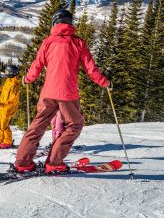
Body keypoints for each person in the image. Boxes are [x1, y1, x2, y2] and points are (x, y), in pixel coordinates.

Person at [14, 9, 110, 174]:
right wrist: (105, 83)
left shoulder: (48, 42)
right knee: (75, 124)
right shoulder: (78, 43)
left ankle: (22, 163)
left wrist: (27, 79)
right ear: (70, 23)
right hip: (67, 94)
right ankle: (54, 162)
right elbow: (91, 69)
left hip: (48, 93)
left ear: (54, 23)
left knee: (37, 126)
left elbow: (37, 65)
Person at [0, 65, 21, 149]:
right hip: (2, 106)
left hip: (8, 108)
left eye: (7, 72)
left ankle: (8, 142)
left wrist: (0, 105)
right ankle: (1, 140)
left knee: (4, 125)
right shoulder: (8, 80)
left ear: (11, 73)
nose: (5, 73)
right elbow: (4, 89)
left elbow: (12, 100)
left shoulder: (14, 85)